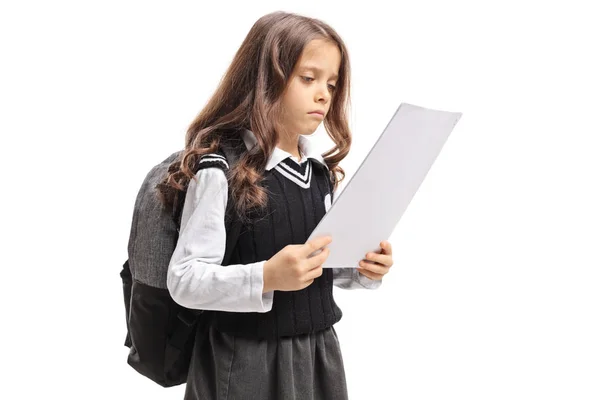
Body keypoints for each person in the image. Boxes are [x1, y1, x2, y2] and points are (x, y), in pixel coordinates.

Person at [158, 10, 394, 400]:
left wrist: (364, 267)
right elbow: (184, 280)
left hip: (318, 355)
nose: (323, 94)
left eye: (332, 85)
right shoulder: (220, 171)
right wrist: (266, 276)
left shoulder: (318, 175)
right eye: (308, 78)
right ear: (265, 78)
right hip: (244, 362)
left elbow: (318, 269)